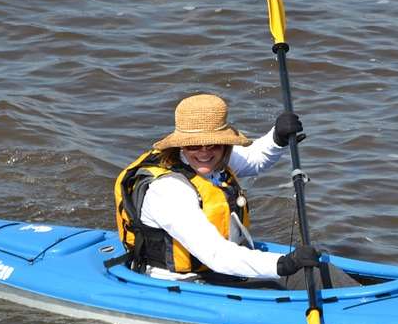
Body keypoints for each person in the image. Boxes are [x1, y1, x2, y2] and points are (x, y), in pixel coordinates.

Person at [114, 93, 357, 289]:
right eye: (194, 145)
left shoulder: (212, 161)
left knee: (322, 271)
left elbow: (253, 159)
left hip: (221, 269)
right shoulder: (169, 191)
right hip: (185, 284)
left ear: (223, 143)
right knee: (297, 278)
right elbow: (216, 254)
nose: (204, 152)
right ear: (180, 145)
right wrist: (284, 264)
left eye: (213, 144)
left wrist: (277, 138)